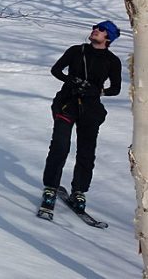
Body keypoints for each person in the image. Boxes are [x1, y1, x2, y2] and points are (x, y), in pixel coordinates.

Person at [40, 20, 122, 215]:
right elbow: (56, 70)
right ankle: (50, 188)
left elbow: (116, 89)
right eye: (95, 27)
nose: (95, 30)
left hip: (91, 110)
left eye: (101, 30)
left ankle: (79, 191)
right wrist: (72, 80)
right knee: (60, 146)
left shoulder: (112, 61)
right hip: (67, 104)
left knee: (86, 151)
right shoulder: (76, 51)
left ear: (108, 37)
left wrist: (98, 90)